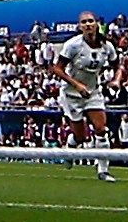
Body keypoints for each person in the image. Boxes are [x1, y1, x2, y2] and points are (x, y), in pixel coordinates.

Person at [46, 15, 117, 182]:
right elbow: (57, 69)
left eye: (90, 21)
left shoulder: (107, 46)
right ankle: (70, 149)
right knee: (81, 137)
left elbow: (117, 65)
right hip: (72, 94)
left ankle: (103, 171)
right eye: (84, 22)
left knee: (101, 130)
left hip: (93, 92)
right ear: (80, 26)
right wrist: (77, 85)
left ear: (97, 24)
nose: (88, 25)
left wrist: (116, 80)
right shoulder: (73, 45)